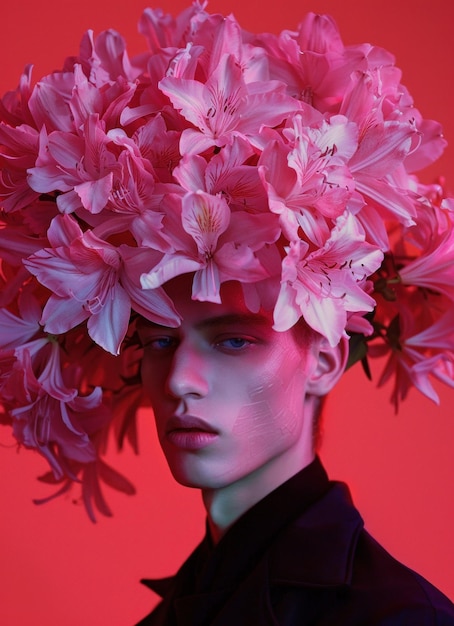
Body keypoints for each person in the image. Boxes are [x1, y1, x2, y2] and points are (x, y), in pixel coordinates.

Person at [0, 3, 453, 624]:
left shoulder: (397, 617)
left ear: (325, 359)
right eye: (159, 341)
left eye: (234, 341)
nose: (182, 380)